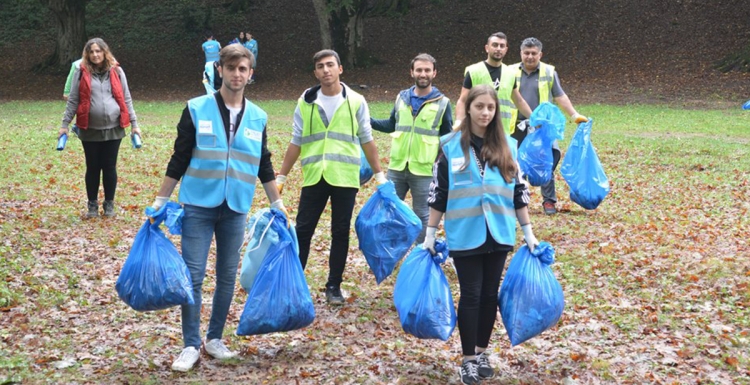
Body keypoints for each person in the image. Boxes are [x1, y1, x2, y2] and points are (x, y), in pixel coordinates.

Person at [149, 44, 287, 372]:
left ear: (250, 74)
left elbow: (263, 162)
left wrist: (277, 203)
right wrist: (160, 200)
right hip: (198, 203)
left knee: (227, 276)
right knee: (192, 275)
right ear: (220, 70)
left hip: (236, 206)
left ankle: (214, 338)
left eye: (243, 69)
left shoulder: (258, 116)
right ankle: (189, 345)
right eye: (231, 68)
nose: (237, 74)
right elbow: (179, 157)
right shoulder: (196, 108)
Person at [425, 84, 539, 385]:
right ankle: (468, 359)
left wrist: (528, 233)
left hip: (499, 233)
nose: (485, 113)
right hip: (465, 233)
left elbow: (519, 193)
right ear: (470, 108)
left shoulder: (510, 147)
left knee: (490, 295)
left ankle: (482, 350)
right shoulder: (450, 145)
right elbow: (439, 193)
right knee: (471, 294)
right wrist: (429, 235)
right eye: (480, 107)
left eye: (491, 108)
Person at [276, 49, 387, 305]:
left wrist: (379, 175)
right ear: (315, 72)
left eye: (330, 65)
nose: (325, 70)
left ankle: (334, 286)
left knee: (340, 232)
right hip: (315, 175)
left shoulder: (356, 101)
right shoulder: (306, 100)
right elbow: (296, 140)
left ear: (340, 69)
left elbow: (367, 140)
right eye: (320, 66)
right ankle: (294, 283)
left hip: (344, 177)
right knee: (303, 231)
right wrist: (281, 177)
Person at [370, 53, 453, 243]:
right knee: (389, 211)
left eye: (427, 70)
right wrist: (369, 122)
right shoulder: (401, 98)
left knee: (422, 215)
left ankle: (420, 254)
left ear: (434, 73)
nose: (423, 74)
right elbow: (391, 124)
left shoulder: (443, 103)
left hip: (423, 170)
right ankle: (389, 252)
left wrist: (441, 166)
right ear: (412, 72)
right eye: (419, 70)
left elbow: (447, 139)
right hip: (397, 167)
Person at [59, 38, 141, 218]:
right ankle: (92, 205)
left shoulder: (117, 71)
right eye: (92, 52)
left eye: (98, 51)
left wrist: (135, 125)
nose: (95, 55)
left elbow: (126, 99)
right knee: (93, 166)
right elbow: (73, 100)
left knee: (110, 166)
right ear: (87, 55)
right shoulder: (80, 73)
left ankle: (109, 204)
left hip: (114, 128)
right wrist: (64, 125)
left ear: (105, 52)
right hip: (89, 129)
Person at [510, 37, 589, 215]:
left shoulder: (548, 71)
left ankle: (549, 201)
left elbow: (560, 96)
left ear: (540, 54)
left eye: (533, 53)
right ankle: (517, 199)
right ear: (520, 53)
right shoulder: (509, 71)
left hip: (542, 127)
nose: (530, 57)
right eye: (526, 53)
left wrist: (574, 115)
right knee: (514, 163)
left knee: (546, 162)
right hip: (515, 125)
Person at [455, 32, 532, 136]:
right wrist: (459, 122)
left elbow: (519, 101)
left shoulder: (510, 74)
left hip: (502, 133)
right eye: (495, 45)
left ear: (506, 50)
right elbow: (462, 100)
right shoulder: (474, 71)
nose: (498, 49)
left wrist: (535, 119)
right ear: (487, 48)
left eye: (502, 46)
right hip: (477, 131)